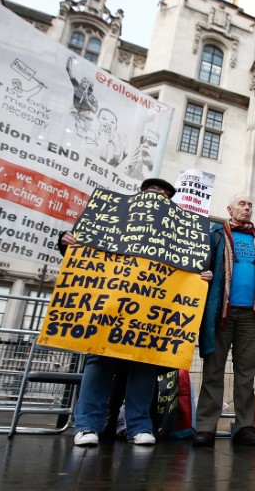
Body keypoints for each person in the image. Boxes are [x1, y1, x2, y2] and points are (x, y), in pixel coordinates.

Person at [61, 178, 210, 447]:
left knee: (143, 365)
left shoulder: (177, 231)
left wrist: (200, 275)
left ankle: (139, 427)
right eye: (154, 192)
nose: (158, 197)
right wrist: (65, 242)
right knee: (99, 364)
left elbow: (187, 266)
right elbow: (86, 246)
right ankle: (86, 426)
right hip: (109, 306)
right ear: (142, 194)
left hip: (147, 314)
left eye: (165, 196)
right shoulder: (115, 216)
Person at [192, 193, 255, 447]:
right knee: (213, 371)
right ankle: (206, 427)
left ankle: (244, 427)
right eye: (242, 204)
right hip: (221, 313)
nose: (247, 208)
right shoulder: (216, 234)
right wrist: (201, 274)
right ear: (229, 209)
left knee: (246, 375)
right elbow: (200, 265)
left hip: (252, 314)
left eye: (250, 204)